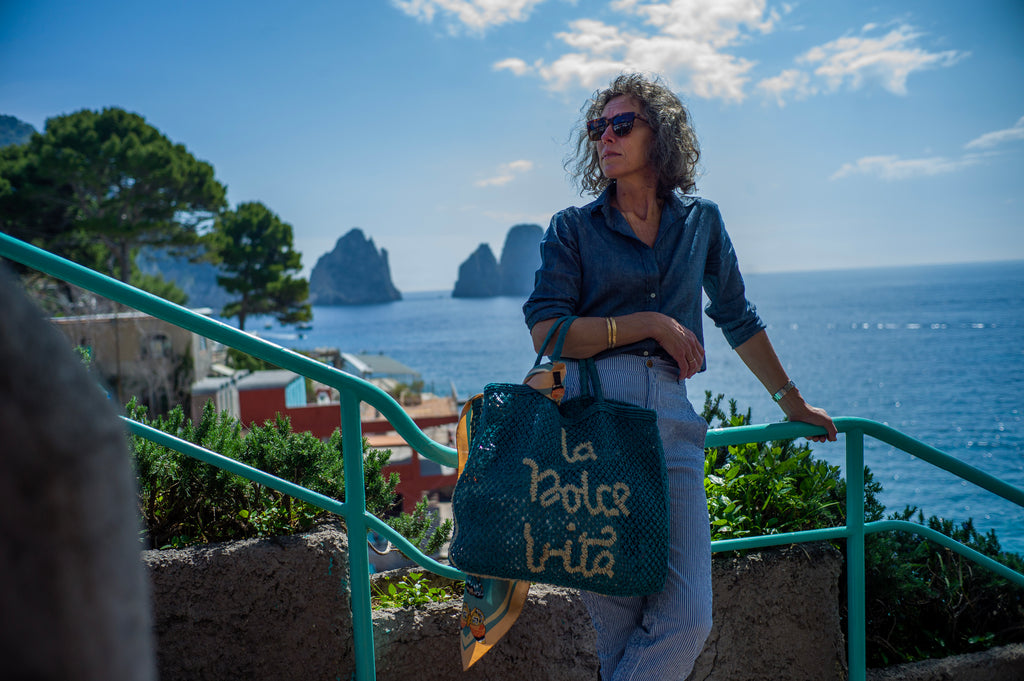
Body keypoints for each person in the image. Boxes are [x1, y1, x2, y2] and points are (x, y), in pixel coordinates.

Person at [522, 72, 838, 681]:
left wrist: (790, 402)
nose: (604, 137)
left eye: (621, 124)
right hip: (594, 421)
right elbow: (547, 332)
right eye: (597, 127)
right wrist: (649, 324)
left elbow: (737, 316)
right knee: (618, 628)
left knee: (686, 617)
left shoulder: (702, 222)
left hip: (670, 413)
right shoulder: (573, 227)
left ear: (659, 136)